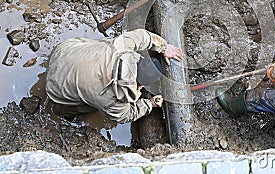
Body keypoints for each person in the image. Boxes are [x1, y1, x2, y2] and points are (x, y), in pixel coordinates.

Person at [46, 28, 183, 123]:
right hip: (54, 89)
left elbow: (143, 37)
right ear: (140, 86)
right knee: (89, 105)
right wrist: (149, 104)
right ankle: (60, 114)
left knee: (103, 43)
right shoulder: (112, 102)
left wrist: (164, 47)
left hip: (62, 52)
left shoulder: (121, 47)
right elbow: (126, 115)